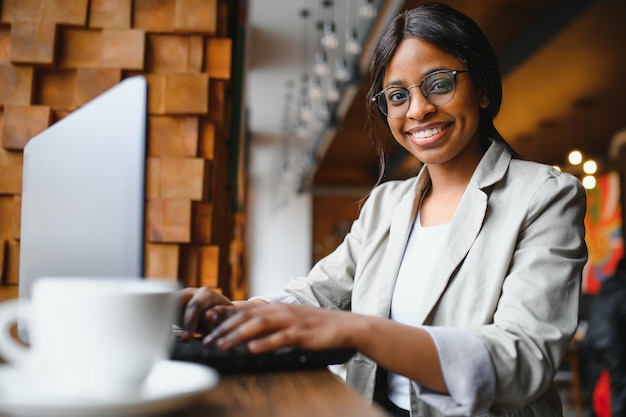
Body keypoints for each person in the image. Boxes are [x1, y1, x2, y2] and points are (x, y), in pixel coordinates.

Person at [180, 3, 588, 416]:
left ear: (482, 88)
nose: (417, 109)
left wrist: (361, 330)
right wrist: (237, 313)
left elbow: (523, 360)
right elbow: (320, 293)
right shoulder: (385, 204)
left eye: (439, 83)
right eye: (397, 96)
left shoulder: (544, 196)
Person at [579, 257, 626, 417]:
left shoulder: (606, 287)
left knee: (594, 392)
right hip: (612, 347)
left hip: (591, 344)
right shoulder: (622, 290)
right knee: (617, 391)